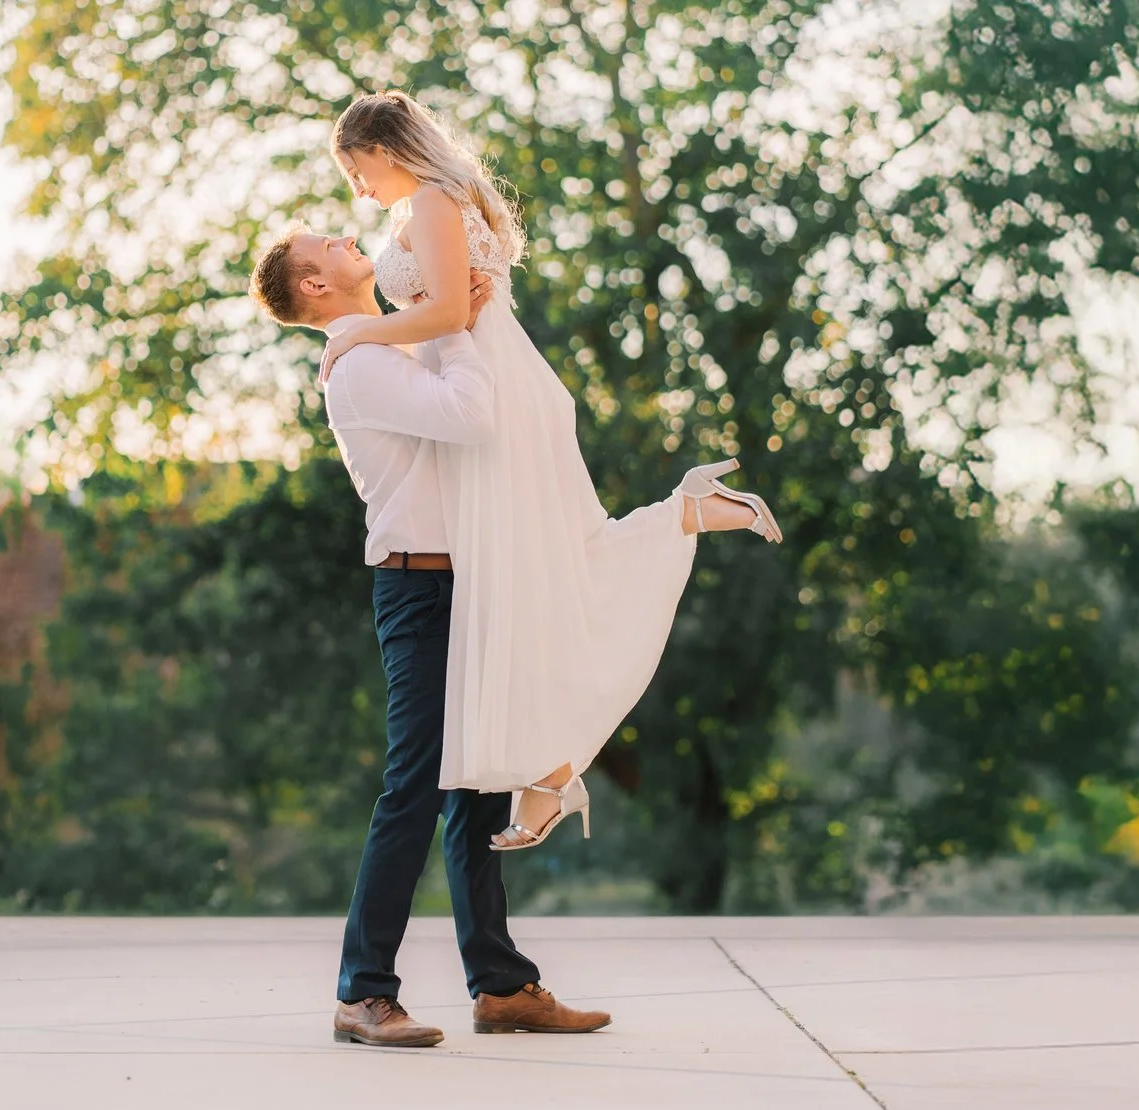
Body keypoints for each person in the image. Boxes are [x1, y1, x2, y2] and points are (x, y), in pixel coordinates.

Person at [319, 91, 782, 851]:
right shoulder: (427, 208)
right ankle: (554, 767)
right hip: (491, 387)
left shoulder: (433, 203)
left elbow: (443, 315)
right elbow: (441, 317)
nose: (356, 188)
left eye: (354, 167)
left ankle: (556, 768)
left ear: (385, 148)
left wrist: (361, 331)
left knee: (538, 580)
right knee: (535, 580)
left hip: (494, 396)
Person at [248, 227, 613, 1047]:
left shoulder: (389, 343)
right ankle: (362, 992)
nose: (350, 238)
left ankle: (503, 987)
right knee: (414, 785)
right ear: (314, 287)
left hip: (462, 578)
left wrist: (442, 316)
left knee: (476, 786)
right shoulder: (363, 359)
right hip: (420, 587)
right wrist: (450, 318)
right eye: (331, 245)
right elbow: (472, 416)